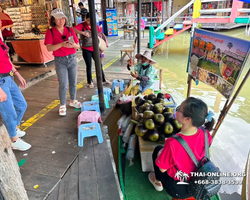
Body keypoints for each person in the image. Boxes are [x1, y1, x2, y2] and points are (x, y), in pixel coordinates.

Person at [149, 97, 215, 199]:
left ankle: (158, 182)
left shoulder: (173, 143)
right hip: (199, 184)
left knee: (158, 150)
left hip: (179, 189)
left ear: (187, 119)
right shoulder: (206, 134)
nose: (177, 110)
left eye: (179, 109)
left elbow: (162, 168)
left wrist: (161, 154)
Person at [45, 8, 81, 116]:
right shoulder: (50, 32)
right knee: (63, 83)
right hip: (60, 60)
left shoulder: (70, 30)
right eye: (58, 18)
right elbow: (49, 48)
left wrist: (72, 45)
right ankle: (62, 104)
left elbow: (78, 45)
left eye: (62, 18)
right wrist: (61, 44)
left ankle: (73, 100)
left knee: (73, 81)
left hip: (72, 58)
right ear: (53, 20)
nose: (61, 20)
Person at [0, 36, 31, 151]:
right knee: (9, 112)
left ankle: (13, 128)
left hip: (8, 77)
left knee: (22, 105)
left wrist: (17, 74)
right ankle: (13, 140)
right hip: (0, 82)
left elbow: (6, 59)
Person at [74, 12, 111, 89]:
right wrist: (83, 33)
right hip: (86, 49)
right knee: (89, 66)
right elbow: (73, 30)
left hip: (95, 49)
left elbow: (99, 36)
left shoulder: (95, 26)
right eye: (88, 20)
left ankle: (103, 79)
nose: (89, 22)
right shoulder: (82, 25)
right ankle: (89, 82)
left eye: (91, 20)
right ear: (85, 19)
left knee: (99, 65)